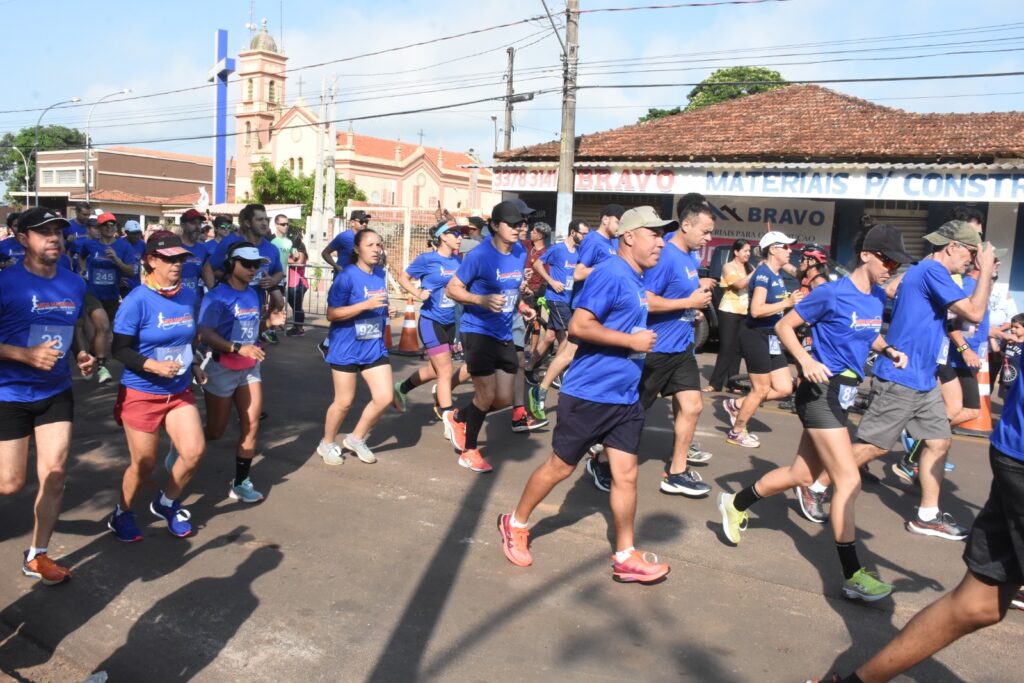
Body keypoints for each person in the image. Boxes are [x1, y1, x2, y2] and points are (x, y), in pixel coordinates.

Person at [807, 321, 1024, 683]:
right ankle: (818, 482)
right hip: (918, 392)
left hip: (1008, 449)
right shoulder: (928, 279)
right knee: (875, 446)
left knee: (977, 605)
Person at [719, 224, 912, 602]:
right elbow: (784, 325)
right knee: (848, 481)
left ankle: (735, 503)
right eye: (888, 259)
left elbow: (866, 332)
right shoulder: (831, 293)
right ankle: (853, 574)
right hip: (820, 391)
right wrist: (806, 360)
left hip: (844, 393)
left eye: (897, 262)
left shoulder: (873, 297)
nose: (892, 267)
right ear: (867, 255)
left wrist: (887, 350)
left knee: (801, 474)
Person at [498, 205, 670, 584]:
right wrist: (631, 340)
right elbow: (578, 326)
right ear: (629, 237)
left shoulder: (636, 277)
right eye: (653, 234)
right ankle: (515, 522)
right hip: (590, 394)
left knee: (626, 475)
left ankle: (625, 555)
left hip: (624, 396)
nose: (660, 241)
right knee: (561, 467)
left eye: (662, 234)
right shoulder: (611, 273)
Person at [798, 221, 995, 536]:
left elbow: (891, 288)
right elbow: (974, 312)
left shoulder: (925, 272)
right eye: (971, 252)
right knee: (875, 446)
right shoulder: (932, 272)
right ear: (953, 246)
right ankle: (818, 485)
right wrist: (986, 272)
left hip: (924, 376)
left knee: (939, 441)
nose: (972, 259)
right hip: (901, 375)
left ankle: (927, 515)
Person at [0, 207, 94, 585]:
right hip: (10, 393)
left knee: (55, 474)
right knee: (9, 483)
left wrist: (82, 353)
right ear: (23, 239)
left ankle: (36, 555)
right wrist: (23, 354)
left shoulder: (73, 283)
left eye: (58, 231)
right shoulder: (5, 283)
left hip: (56, 390)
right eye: (43, 232)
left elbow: (72, 326)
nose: (54, 237)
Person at [107, 232, 206, 541]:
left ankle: (166, 503)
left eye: (181, 258)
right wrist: (154, 366)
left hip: (177, 390)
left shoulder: (187, 296)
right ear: (150, 260)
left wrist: (195, 364)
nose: (177, 264)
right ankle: (121, 512)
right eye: (169, 259)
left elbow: (187, 339)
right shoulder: (137, 300)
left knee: (193, 452)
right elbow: (119, 350)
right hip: (141, 392)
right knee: (144, 464)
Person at [443, 200, 535, 473]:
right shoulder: (480, 256)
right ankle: (469, 450)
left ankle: (459, 416)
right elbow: (452, 289)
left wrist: (522, 304)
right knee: (485, 394)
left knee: (504, 399)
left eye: (522, 224)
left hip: (503, 332)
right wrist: (480, 300)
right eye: (513, 224)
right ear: (494, 226)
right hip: (478, 331)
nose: (519, 228)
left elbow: (512, 287)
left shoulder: (519, 252)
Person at [197, 241, 285, 503]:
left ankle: (241, 482)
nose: (252, 269)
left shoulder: (253, 295)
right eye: (246, 264)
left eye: (256, 265)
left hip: (249, 368)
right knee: (215, 431)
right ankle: (184, 446)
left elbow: (252, 332)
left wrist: (269, 323)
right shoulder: (216, 296)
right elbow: (206, 334)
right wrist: (237, 348)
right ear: (231, 264)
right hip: (221, 367)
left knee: (251, 424)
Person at [640, 201, 716, 497]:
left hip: (682, 347)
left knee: (693, 406)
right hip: (656, 348)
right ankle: (602, 459)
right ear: (686, 225)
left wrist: (691, 312)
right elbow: (644, 299)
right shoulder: (666, 256)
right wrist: (688, 303)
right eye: (706, 232)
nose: (708, 238)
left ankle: (676, 472)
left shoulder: (689, 258)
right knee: (631, 414)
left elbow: (678, 297)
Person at [527, 204, 623, 422]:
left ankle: (575, 399)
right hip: (585, 307)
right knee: (569, 351)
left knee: (585, 354)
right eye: (618, 221)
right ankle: (540, 390)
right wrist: (607, 271)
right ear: (606, 219)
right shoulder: (592, 241)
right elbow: (578, 273)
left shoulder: (612, 243)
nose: (620, 226)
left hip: (603, 308)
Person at [315, 228, 394, 466]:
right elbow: (332, 314)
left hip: (373, 346)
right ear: (357, 249)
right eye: (370, 245)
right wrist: (364, 305)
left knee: (384, 397)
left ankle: (356, 438)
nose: (376, 250)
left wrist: (385, 311)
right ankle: (327, 443)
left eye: (378, 245)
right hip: (346, 346)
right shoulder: (346, 276)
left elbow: (377, 305)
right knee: (344, 402)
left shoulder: (379, 273)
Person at [723, 230, 804, 447]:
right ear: (773, 249)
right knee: (760, 389)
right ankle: (737, 431)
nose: (790, 250)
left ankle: (737, 404)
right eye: (785, 247)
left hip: (771, 337)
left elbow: (796, 272)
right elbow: (757, 310)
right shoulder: (763, 275)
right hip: (754, 335)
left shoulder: (777, 274)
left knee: (785, 388)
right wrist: (786, 304)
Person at [394, 220, 463, 417]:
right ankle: (448, 414)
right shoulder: (427, 260)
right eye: (455, 234)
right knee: (446, 369)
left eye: (460, 234)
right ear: (443, 236)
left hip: (451, 322)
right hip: (431, 321)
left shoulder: (459, 261)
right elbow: (403, 278)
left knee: (435, 371)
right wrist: (418, 293)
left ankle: (402, 388)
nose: (459, 238)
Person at [205, 204, 285, 345]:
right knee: (227, 349)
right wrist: (214, 291)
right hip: (229, 308)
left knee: (248, 348)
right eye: (259, 220)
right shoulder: (231, 243)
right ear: (247, 223)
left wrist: (272, 280)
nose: (264, 223)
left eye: (266, 219)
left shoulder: (271, 248)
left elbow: (279, 272)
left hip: (254, 305)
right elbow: (208, 267)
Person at [526, 219, 589, 385]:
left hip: (568, 300)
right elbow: (538, 264)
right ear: (573, 232)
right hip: (556, 298)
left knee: (549, 337)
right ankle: (554, 373)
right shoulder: (558, 249)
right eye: (583, 233)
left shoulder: (580, 252)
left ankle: (529, 368)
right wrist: (551, 281)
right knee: (569, 337)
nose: (584, 237)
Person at [78, 212, 138, 384]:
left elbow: (131, 271)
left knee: (102, 331)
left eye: (113, 225)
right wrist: (83, 272)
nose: (110, 228)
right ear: (99, 228)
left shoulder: (123, 246)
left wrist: (117, 261)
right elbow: (81, 257)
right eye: (106, 225)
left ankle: (90, 357)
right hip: (92, 292)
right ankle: (102, 367)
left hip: (111, 294)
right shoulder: (90, 244)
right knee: (103, 325)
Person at [707, 239, 753, 392]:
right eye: (745, 251)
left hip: (744, 311)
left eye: (749, 251)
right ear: (736, 252)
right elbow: (739, 284)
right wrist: (756, 272)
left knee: (737, 349)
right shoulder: (728, 267)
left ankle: (733, 383)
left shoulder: (749, 267)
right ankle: (715, 383)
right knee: (727, 347)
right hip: (729, 310)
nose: (748, 254)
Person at [321, 209, 370, 275]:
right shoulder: (344, 237)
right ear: (352, 222)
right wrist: (336, 266)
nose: (364, 224)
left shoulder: (366, 238)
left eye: (366, 221)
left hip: (358, 277)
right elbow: (325, 253)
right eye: (361, 221)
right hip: (343, 277)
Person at [177, 210, 210, 294]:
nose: (197, 227)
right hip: (175, 301)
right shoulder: (173, 246)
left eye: (199, 223)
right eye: (193, 223)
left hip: (196, 302)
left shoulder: (203, 249)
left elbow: (207, 275)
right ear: (182, 225)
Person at [284, 229, 309, 337]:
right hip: (291, 282)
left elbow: (298, 262)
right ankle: (296, 326)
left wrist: (284, 259)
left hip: (298, 282)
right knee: (294, 305)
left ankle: (299, 328)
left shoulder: (300, 250)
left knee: (297, 306)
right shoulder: (292, 249)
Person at [117, 220, 146, 294]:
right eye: (134, 233)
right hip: (123, 284)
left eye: (138, 233)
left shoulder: (142, 244)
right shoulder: (119, 243)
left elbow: (147, 260)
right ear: (127, 232)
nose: (137, 236)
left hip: (136, 283)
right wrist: (118, 278)